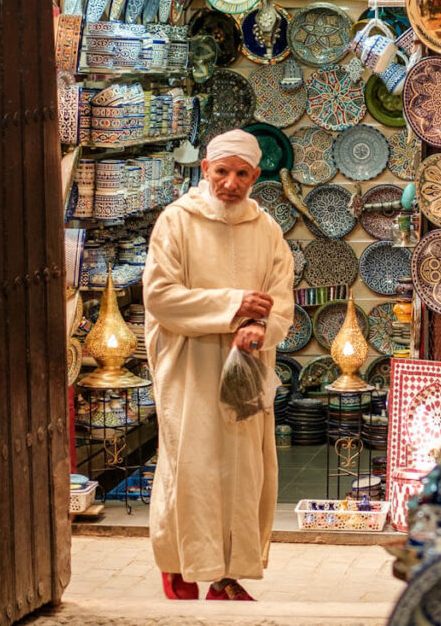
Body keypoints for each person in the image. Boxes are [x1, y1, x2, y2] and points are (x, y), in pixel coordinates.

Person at [142, 129, 295, 601]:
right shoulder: (176, 222)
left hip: (244, 365)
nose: (231, 182)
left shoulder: (266, 229)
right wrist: (233, 306)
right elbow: (160, 297)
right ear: (205, 169)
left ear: (256, 175)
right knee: (193, 466)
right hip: (190, 368)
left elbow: (281, 296)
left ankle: (228, 576)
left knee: (244, 469)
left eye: (242, 173)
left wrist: (259, 329)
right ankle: (182, 568)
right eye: (222, 171)